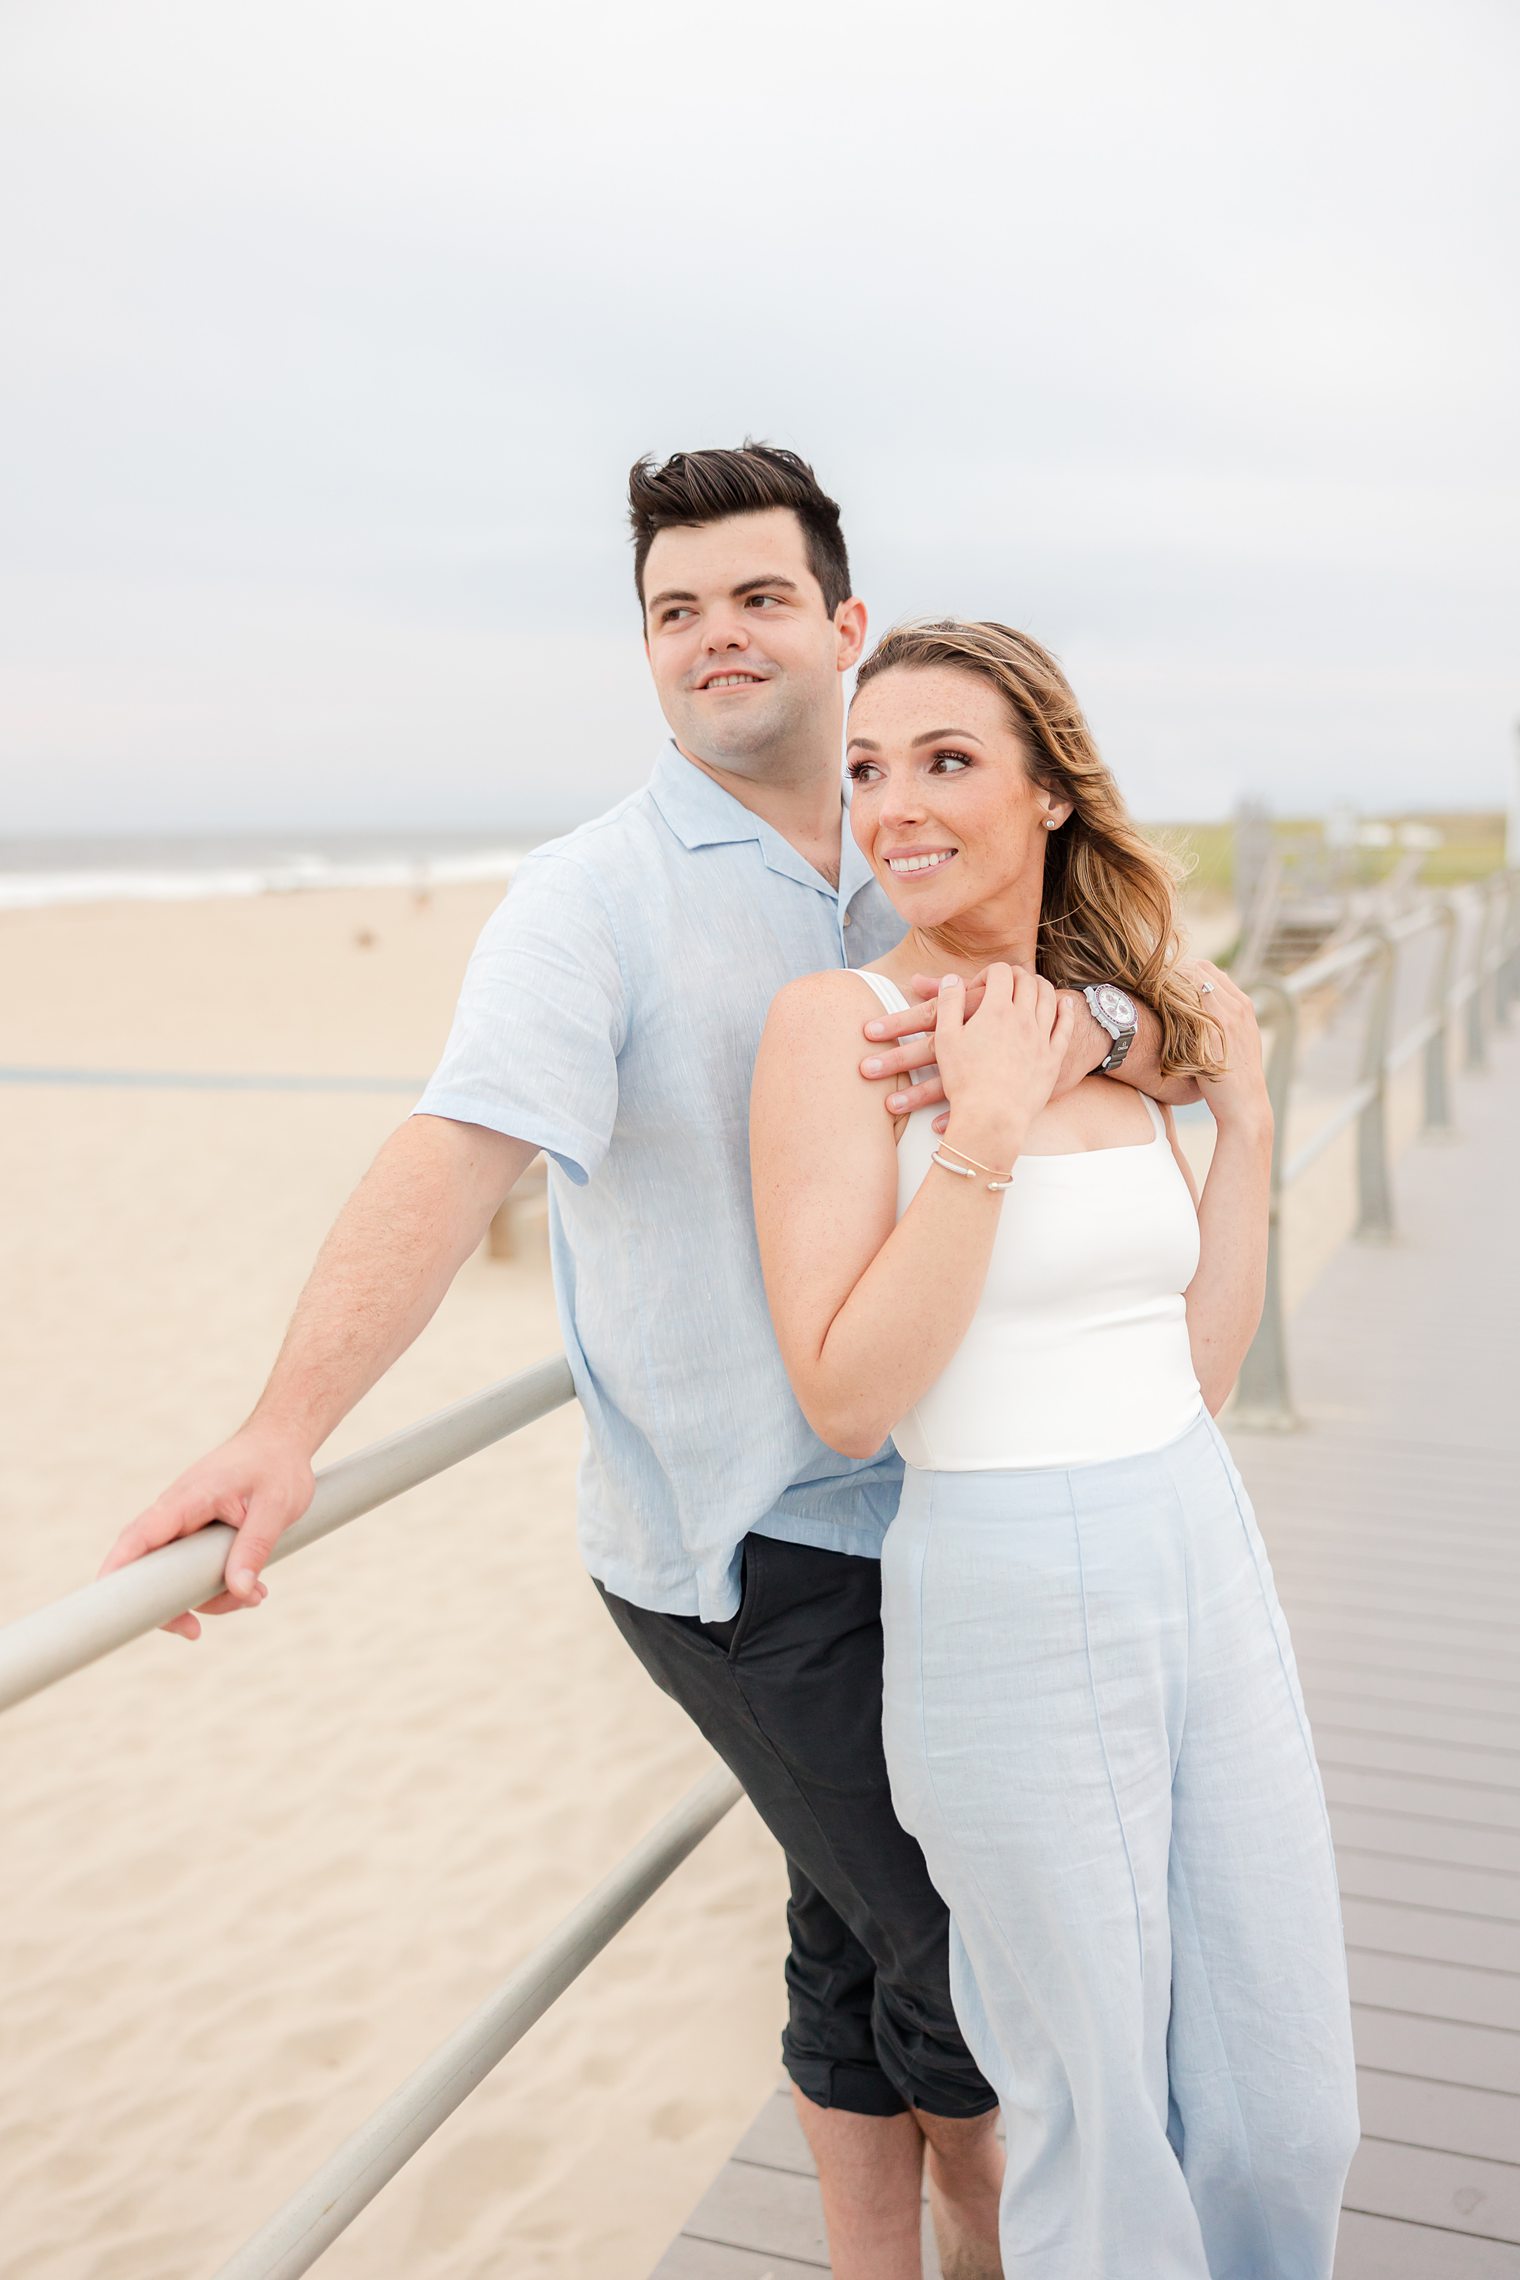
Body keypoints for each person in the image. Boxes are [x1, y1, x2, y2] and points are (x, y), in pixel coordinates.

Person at [98, 447, 1196, 2280]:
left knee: (854, 1953)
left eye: (758, 598)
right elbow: (458, 1150)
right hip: (752, 1552)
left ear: (843, 623)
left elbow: (1129, 996)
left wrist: (1103, 1015)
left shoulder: (914, 835)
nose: (716, 639)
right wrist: (283, 1430)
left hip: (952, 1513)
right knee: (985, 1989)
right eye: (673, 613)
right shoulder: (592, 898)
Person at [751, 617, 1360, 2278]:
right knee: (1097, 2114)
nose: (896, 806)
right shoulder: (840, 1028)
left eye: (947, 761)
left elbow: (1202, 1365)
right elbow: (847, 1398)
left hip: (1198, 1539)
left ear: (1051, 799)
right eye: (869, 769)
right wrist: (987, 1136)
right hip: (1004, 1583)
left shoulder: (1130, 1020)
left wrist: (1235, 1119)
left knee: (1284, 2107)